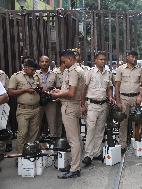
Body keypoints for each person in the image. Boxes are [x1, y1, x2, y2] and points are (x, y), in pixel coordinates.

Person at [51, 49, 85, 179]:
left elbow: (70, 93)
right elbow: (70, 90)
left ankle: (75, 168)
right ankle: (74, 163)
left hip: (69, 107)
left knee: (73, 139)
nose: (63, 64)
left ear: (70, 59)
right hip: (74, 105)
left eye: (64, 61)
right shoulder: (78, 70)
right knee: (77, 137)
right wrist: (59, 91)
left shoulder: (73, 72)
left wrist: (58, 94)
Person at [81, 51, 115, 167]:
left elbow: (109, 87)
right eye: (100, 59)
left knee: (100, 130)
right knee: (90, 129)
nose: (103, 61)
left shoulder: (108, 73)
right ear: (95, 60)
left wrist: (110, 96)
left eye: (104, 59)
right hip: (92, 105)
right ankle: (88, 155)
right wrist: (82, 104)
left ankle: (96, 152)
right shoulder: (90, 72)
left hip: (103, 105)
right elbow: (84, 88)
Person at [115, 50, 142, 153]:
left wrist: (140, 96)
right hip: (124, 98)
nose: (134, 59)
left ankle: (136, 143)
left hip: (135, 98)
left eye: (135, 57)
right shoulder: (120, 69)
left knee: (137, 121)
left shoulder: (140, 70)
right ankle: (122, 144)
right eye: (132, 56)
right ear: (127, 57)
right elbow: (117, 85)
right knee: (123, 122)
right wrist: (118, 101)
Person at [8, 59, 41, 154]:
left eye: (35, 70)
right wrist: (25, 90)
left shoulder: (36, 76)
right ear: (26, 68)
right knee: (22, 133)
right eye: (32, 70)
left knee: (34, 133)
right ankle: (20, 156)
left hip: (36, 109)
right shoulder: (16, 76)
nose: (34, 72)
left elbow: (39, 86)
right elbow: (10, 92)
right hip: (23, 110)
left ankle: (31, 154)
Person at [37, 56, 58, 137]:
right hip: (38, 101)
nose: (44, 63)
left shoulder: (54, 74)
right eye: (42, 61)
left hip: (50, 101)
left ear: (49, 63)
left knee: (52, 122)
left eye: (46, 61)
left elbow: (58, 86)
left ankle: (54, 139)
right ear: (39, 63)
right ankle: (36, 142)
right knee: (37, 123)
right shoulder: (35, 73)